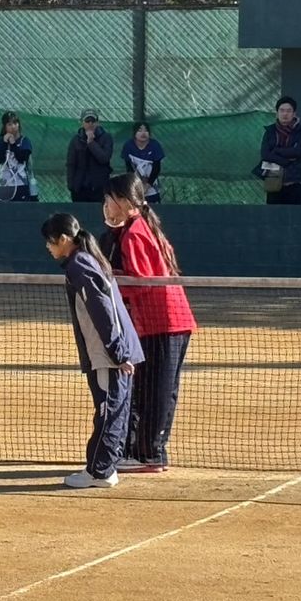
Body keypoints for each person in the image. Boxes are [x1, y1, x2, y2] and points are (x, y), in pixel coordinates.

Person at [101, 174, 196, 473]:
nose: (105, 205)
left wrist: (110, 282)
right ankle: (148, 452)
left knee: (153, 390)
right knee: (157, 388)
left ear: (126, 202)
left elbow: (142, 282)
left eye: (109, 199)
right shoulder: (138, 228)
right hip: (165, 321)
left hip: (162, 321)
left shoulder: (135, 232)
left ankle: (148, 455)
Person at [41, 212, 144, 489]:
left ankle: (98, 471)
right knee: (115, 409)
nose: (48, 249)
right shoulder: (88, 260)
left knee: (107, 410)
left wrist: (118, 353)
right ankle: (106, 466)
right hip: (113, 353)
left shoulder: (79, 265)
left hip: (107, 355)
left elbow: (102, 311)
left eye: (50, 243)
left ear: (63, 239)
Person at [257, 96, 301, 205]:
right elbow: (265, 154)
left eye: (289, 111)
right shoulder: (270, 131)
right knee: (273, 216)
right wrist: (285, 161)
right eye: (282, 110)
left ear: (294, 114)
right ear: (277, 113)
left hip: (294, 180)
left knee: (293, 216)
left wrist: (275, 151)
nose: (285, 114)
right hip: (273, 178)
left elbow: (297, 152)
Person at [66, 108, 113, 203]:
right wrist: (71, 185)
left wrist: (91, 142)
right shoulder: (76, 140)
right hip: (80, 187)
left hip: (99, 187)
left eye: (93, 121)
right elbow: (71, 163)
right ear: (82, 122)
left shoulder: (106, 138)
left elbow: (104, 158)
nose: (90, 124)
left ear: (98, 122)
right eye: (87, 121)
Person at [0, 111, 35, 201]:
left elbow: (22, 158)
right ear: (5, 127)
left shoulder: (25, 141)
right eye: (9, 124)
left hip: (21, 183)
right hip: (4, 183)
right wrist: (5, 143)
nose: (13, 127)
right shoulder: (0, 141)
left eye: (15, 123)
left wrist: (13, 144)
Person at [121, 122, 165, 204]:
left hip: (151, 186)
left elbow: (157, 168)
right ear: (134, 133)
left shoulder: (155, 145)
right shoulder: (128, 146)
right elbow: (129, 167)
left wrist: (147, 185)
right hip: (135, 185)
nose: (143, 133)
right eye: (140, 130)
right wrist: (137, 185)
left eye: (146, 130)